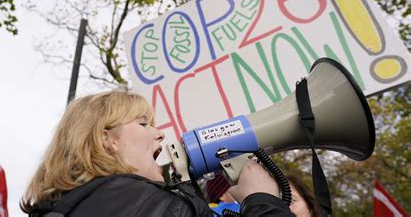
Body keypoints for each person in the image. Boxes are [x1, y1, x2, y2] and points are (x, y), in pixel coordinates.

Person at [20, 90, 293, 216]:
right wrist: (263, 201)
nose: (160, 133)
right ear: (107, 139)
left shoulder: (63, 208)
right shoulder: (154, 206)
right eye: (142, 124)